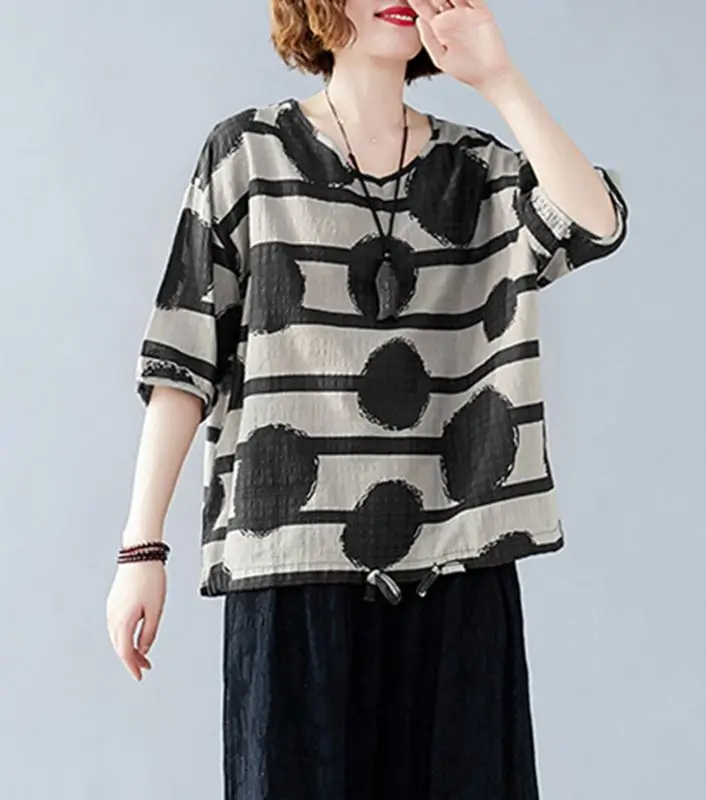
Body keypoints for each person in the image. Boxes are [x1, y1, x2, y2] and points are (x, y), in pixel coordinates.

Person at [106, 0, 629, 797]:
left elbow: (596, 223)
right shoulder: (247, 154)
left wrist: (500, 79)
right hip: (292, 573)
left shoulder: (478, 170)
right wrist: (141, 549)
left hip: (457, 568)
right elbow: (183, 357)